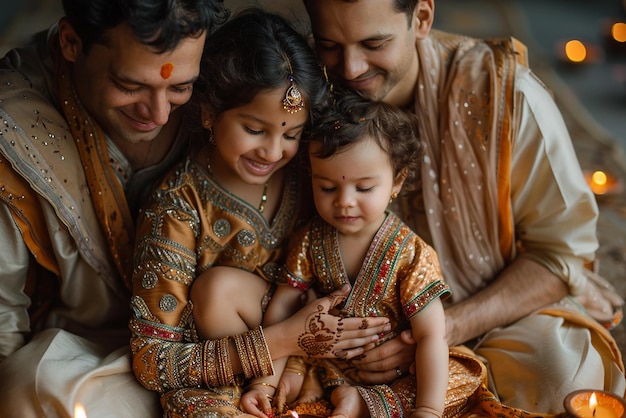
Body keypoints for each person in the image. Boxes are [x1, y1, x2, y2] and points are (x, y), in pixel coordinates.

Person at [299, 0, 626, 414]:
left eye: (374, 43)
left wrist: (443, 329)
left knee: (561, 383)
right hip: (354, 328)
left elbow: (560, 254)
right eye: (329, 45)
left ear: (421, 18)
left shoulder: (505, 97)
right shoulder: (306, 91)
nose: (349, 69)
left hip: (492, 308)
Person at [129, 9, 391, 417]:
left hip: (321, 357)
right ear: (209, 113)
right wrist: (287, 340)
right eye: (254, 130)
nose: (273, 153)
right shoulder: (177, 208)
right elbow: (152, 362)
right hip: (220, 379)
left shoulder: (313, 174)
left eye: (291, 134)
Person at [0, 0, 229, 416]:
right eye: (130, 85)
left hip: (225, 342)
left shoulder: (228, 93)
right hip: (85, 355)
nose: (159, 114)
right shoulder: (14, 129)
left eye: (179, 87)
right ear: (72, 42)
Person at [245, 89, 488, 418]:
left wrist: (428, 411)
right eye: (327, 187)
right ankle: (342, 397)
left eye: (363, 188)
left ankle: (360, 403)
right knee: (298, 371)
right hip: (330, 361)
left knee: (461, 374)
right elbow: (282, 311)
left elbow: (431, 334)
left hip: (398, 374)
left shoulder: (412, 253)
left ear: (396, 183)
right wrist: (263, 384)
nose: (344, 201)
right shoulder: (309, 239)